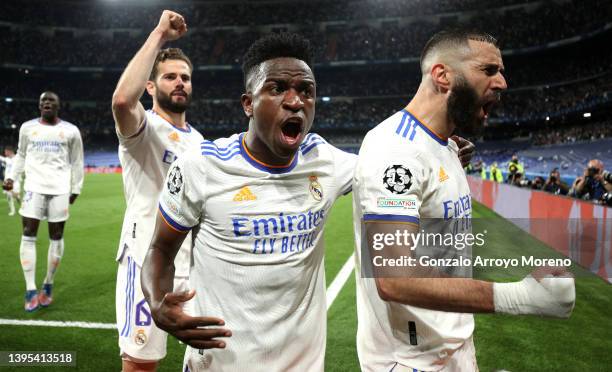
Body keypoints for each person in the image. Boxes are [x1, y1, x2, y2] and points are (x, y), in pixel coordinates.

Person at [141, 31, 475, 372]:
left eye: (306, 91)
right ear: (248, 104)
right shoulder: (201, 167)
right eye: (277, 88)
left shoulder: (324, 161)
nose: (295, 101)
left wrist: (441, 153)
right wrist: (156, 303)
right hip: (218, 365)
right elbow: (160, 250)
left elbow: (394, 169)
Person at [352, 29, 575, 372]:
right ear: (443, 76)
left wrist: (447, 151)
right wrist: (521, 297)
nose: (502, 82)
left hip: (451, 347)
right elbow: (393, 277)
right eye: (489, 70)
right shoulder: (394, 150)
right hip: (410, 361)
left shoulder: (444, 146)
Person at [111, 10, 204, 372]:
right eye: (169, 77)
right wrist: (159, 35)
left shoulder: (199, 142)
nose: (179, 82)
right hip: (144, 259)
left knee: (208, 353)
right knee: (140, 363)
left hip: (192, 266)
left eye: (185, 77)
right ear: (151, 86)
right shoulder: (143, 129)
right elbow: (121, 101)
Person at [2, 91, 84, 312]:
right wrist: (11, 177)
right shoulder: (27, 128)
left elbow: (77, 161)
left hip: (59, 189)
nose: (47, 103)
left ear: (59, 106)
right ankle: (30, 289)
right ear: (39, 106)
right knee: (28, 233)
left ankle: (48, 283)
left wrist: (76, 187)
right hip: (33, 188)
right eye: (43, 101)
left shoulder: (70, 131)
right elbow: (20, 155)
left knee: (56, 236)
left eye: (51, 101)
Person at [0, 146, 20, 216]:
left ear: (9, 151)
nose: (4, 153)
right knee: (8, 195)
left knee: (16, 196)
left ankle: (22, 205)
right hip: (7, 181)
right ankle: (13, 211)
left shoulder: (17, 158)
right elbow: (1, 158)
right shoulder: (7, 159)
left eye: (5, 151)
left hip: (15, 180)